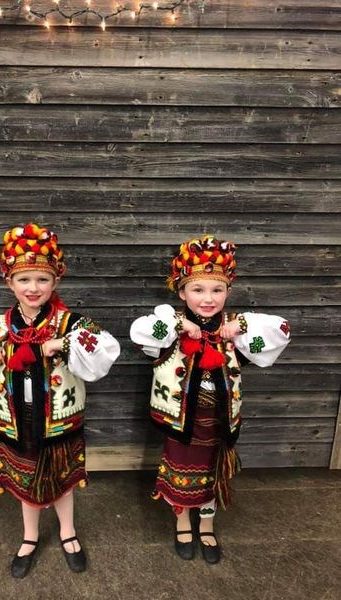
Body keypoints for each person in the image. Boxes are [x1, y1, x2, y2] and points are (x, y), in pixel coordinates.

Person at [0, 223, 120, 578]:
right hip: (15, 419)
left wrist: (64, 344)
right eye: (24, 280)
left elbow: (104, 346)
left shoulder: (68, 322)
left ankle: (68, 533)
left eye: (42, 279)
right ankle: (29, 536)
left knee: (63, 478)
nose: (33, 288)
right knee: (25, 482)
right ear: (9, 282)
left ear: (55, 282)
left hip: (59, 419)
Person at [130, 235, 290, 564]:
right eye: (198, 290)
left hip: (218, 423)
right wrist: (177, 323)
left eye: (216, 290)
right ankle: (182, 522)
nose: (207, 299)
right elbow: (141, 331)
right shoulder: (168, 330)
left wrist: (242, 325)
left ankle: (206, 523)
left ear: (228, 292)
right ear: (182, 292)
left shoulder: (236, 331)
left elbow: (278, 335)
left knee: (211, 474)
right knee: (181, 474)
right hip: (182, 422)